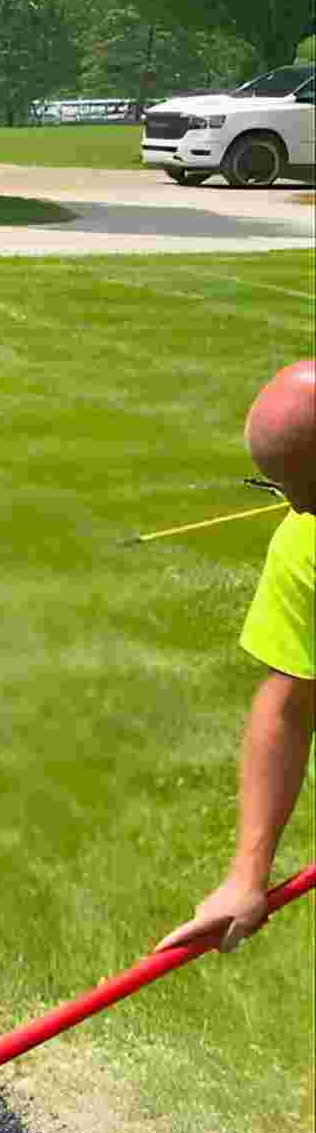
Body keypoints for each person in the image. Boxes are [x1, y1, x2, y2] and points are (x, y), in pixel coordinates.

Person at [157, 359, 314, 957]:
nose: (297, 507)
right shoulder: (305, 545)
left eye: (306, 488)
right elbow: (289, 705)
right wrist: (247, 876)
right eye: (281, 488)